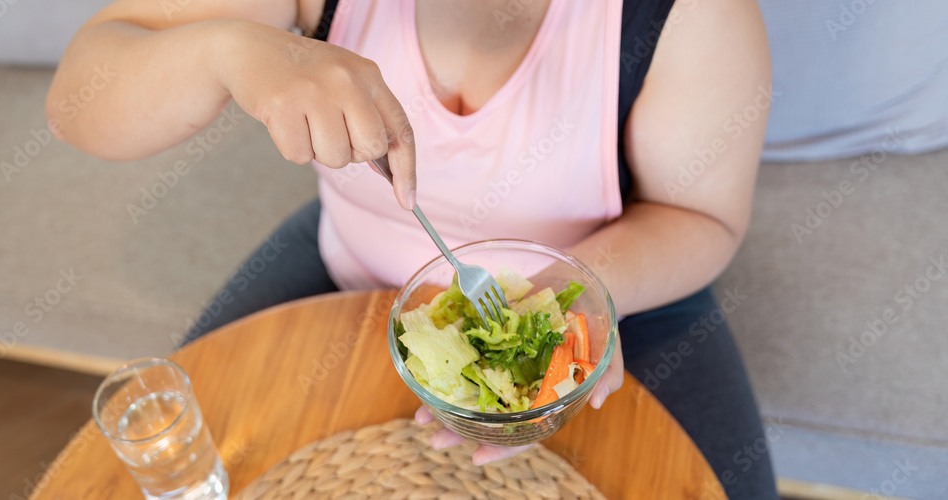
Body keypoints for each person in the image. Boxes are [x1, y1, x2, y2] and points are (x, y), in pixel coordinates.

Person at [46, 0, 776, 497]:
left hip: (619, 287)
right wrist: (227, 50)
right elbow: (79, 102)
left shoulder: (690, 17)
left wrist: (580, 297)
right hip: (349, 262)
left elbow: (698, 218)